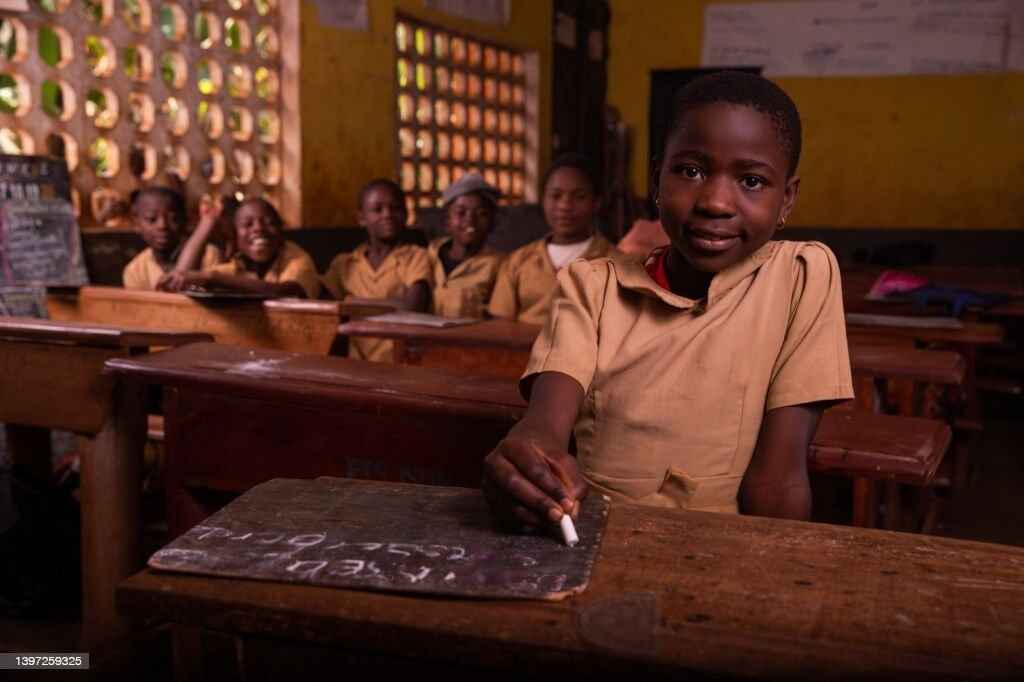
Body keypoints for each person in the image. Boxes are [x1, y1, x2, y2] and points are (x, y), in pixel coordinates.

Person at [482, 71, 854, 533]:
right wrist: (531, 454)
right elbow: (545, 424)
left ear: (787, 200)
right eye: (691, 171)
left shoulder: (800, 276)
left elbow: (778, 478)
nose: (716, 202)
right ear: (657, 181)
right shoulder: (591, 285)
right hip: (594, 534)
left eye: (752, 181)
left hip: (728, 544)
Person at [487, 153, 618, 325]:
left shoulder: (618, 265)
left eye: (579, 197)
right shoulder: (516, 262)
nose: (565, 206)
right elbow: (500, 327)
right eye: (556, 196)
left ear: (597, 203)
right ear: (543, 201)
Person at [322, 179, 432, 362]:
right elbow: (325, 307)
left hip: (401, 362)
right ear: (361, 218)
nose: (387, 214)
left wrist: (349, 302)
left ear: (406, 214)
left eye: (395, 208)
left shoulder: (416, 257)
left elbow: (412, 308)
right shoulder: (345, 263)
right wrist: (393, 304)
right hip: (355, 363)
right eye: (377, 209)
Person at [159, 197, 320, 299]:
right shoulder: (235, 267)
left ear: (281, 230)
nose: (258, 229)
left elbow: (284, 291)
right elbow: (181, 282)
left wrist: (212, 278)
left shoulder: (297, 259)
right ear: (235, 236)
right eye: (247, 224)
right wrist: (208, 222)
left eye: (269, 222)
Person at [427, 173, 504, 318]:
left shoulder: (499, 266)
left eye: (482, 213)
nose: (470, 219)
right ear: (447, 221)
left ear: (492, 223)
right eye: (461, 212)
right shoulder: (429, 253)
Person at [122, 186, 220, 290]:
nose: (162, 225)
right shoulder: (135, 271)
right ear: (137, 224)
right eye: (152, 219)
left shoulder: (209, 256)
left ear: (185, 221)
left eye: (173, 219)